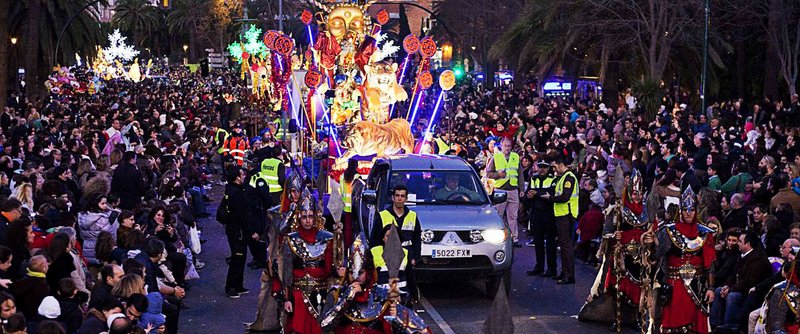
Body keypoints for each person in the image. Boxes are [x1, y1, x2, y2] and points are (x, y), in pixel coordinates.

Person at [644, 187, 716, 333]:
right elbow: (656, 257)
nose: (688, 213)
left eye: (692, 209)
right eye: (685, 209)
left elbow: (709, 263)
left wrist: (710, 288)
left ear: (696, 210)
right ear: (680, 210)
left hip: (697, 285)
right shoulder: (669, 231)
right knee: (673, 324)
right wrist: (650, 245)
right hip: (674, 284)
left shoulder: (704, 233)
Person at [281, 192, 339, 334]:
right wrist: (287, 299)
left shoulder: (327, 238)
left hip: (322, 293)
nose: (308, 220)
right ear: (299, 217)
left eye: (311, 216)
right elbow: (287, 271)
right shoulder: (291, 240)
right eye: (304, 216)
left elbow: (332, 268)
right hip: (299, 294)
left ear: (315, 217)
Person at [710, 230, 772, 331]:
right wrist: (727, 286)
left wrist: (730, 289)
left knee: (732, 296)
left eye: (739, 241)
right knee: (718, 291)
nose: (737, 243)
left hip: (752, 292)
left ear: (747, 244)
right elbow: (733, 274)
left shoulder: (758, 258)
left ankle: (729, 327)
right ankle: (715, 325)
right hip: (740, 287)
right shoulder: (742, 255)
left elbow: (749, 281)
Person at [373, 185, 422, 302]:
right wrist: (378, 258)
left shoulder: (412, 216)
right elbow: (375, 239)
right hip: (386, 257)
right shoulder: (382, 215)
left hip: (406, 257)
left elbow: (417, 238)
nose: (399, 198)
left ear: (406, 198)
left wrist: (416, 257)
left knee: (405, 284)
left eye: (402, 196)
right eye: (397, 196)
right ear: (393, 198)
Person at [219, 165, 256, 298]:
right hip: (237, 231)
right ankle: (231, 287)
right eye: (242, 174)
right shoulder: (237, 193)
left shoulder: (231, 189)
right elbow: (243, 215)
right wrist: (252, 231)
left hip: (234, 229)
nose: (244, 176)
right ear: (237, 177)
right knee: (238, 258)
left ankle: (238, 285)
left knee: (241, 257)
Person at [540, 155, 578, 285]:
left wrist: (550, 198)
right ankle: (564, 272)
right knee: (563, 246)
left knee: (566, 247)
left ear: (561, 164)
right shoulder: (562, 177)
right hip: (562, 215)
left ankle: (569, 275)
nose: (554, 169)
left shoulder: (569, 178)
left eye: (555, 166)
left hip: (567, 215)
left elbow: (565, 197)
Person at [486, 138, 523, 247]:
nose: (507, 148)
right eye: (505, 146)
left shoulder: (515, 157)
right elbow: (488, 173)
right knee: (499, 215)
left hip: (513, 189)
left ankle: (514, 239)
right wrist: (498, 175)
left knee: (513, 216)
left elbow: (520, 174)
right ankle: (498, 239)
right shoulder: (495, 157)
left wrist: (521, 189)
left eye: (509, 146)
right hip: (500, 189)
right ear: (501, 146)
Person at [525, 161, 557, 276]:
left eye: (545, 167)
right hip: (536, 213)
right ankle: (539, 266)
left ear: (548, 168)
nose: (542, 169)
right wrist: (529, 196)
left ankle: (551, 269)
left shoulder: (553, 179)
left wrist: (536, 194)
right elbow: (528, 192)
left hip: (548, 214)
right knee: (538, 242)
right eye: (540, 167)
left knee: (550, 242)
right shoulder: (533, 179)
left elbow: (551, 193)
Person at [8, 255, 50, 321]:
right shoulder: (43, 286)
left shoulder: (18, 283)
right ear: (44, 269)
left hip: (17, 317)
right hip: (33, 319)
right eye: (46, 264)